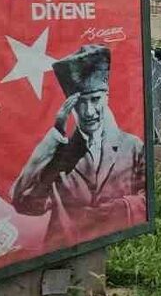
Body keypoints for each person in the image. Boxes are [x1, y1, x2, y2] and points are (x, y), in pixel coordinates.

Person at [12, 44, 148, 249]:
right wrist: (54, 138)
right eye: (79, 103)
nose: (88, 112)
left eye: (95, 100)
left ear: (107, 96)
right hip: (65, 253)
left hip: (119, 249)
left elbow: (147, 199)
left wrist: (115, 210)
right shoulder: (60, 154)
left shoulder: (132, 146)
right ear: (69, 106)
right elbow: (24, 202)